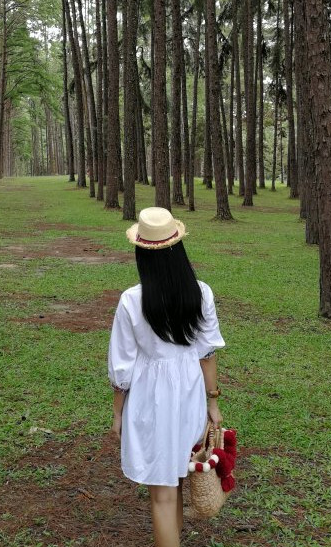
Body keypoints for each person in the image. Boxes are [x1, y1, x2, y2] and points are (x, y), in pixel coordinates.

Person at [108, 207, 225, 547]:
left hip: (150, 397)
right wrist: (213, 402)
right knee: (174, 482)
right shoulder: (200, 292)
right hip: (189, 393)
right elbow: (207, 352)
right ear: (179, 247)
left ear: (141, 252)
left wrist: (117, 413)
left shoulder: (132, 300)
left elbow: (122, 368)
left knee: (162, 493)